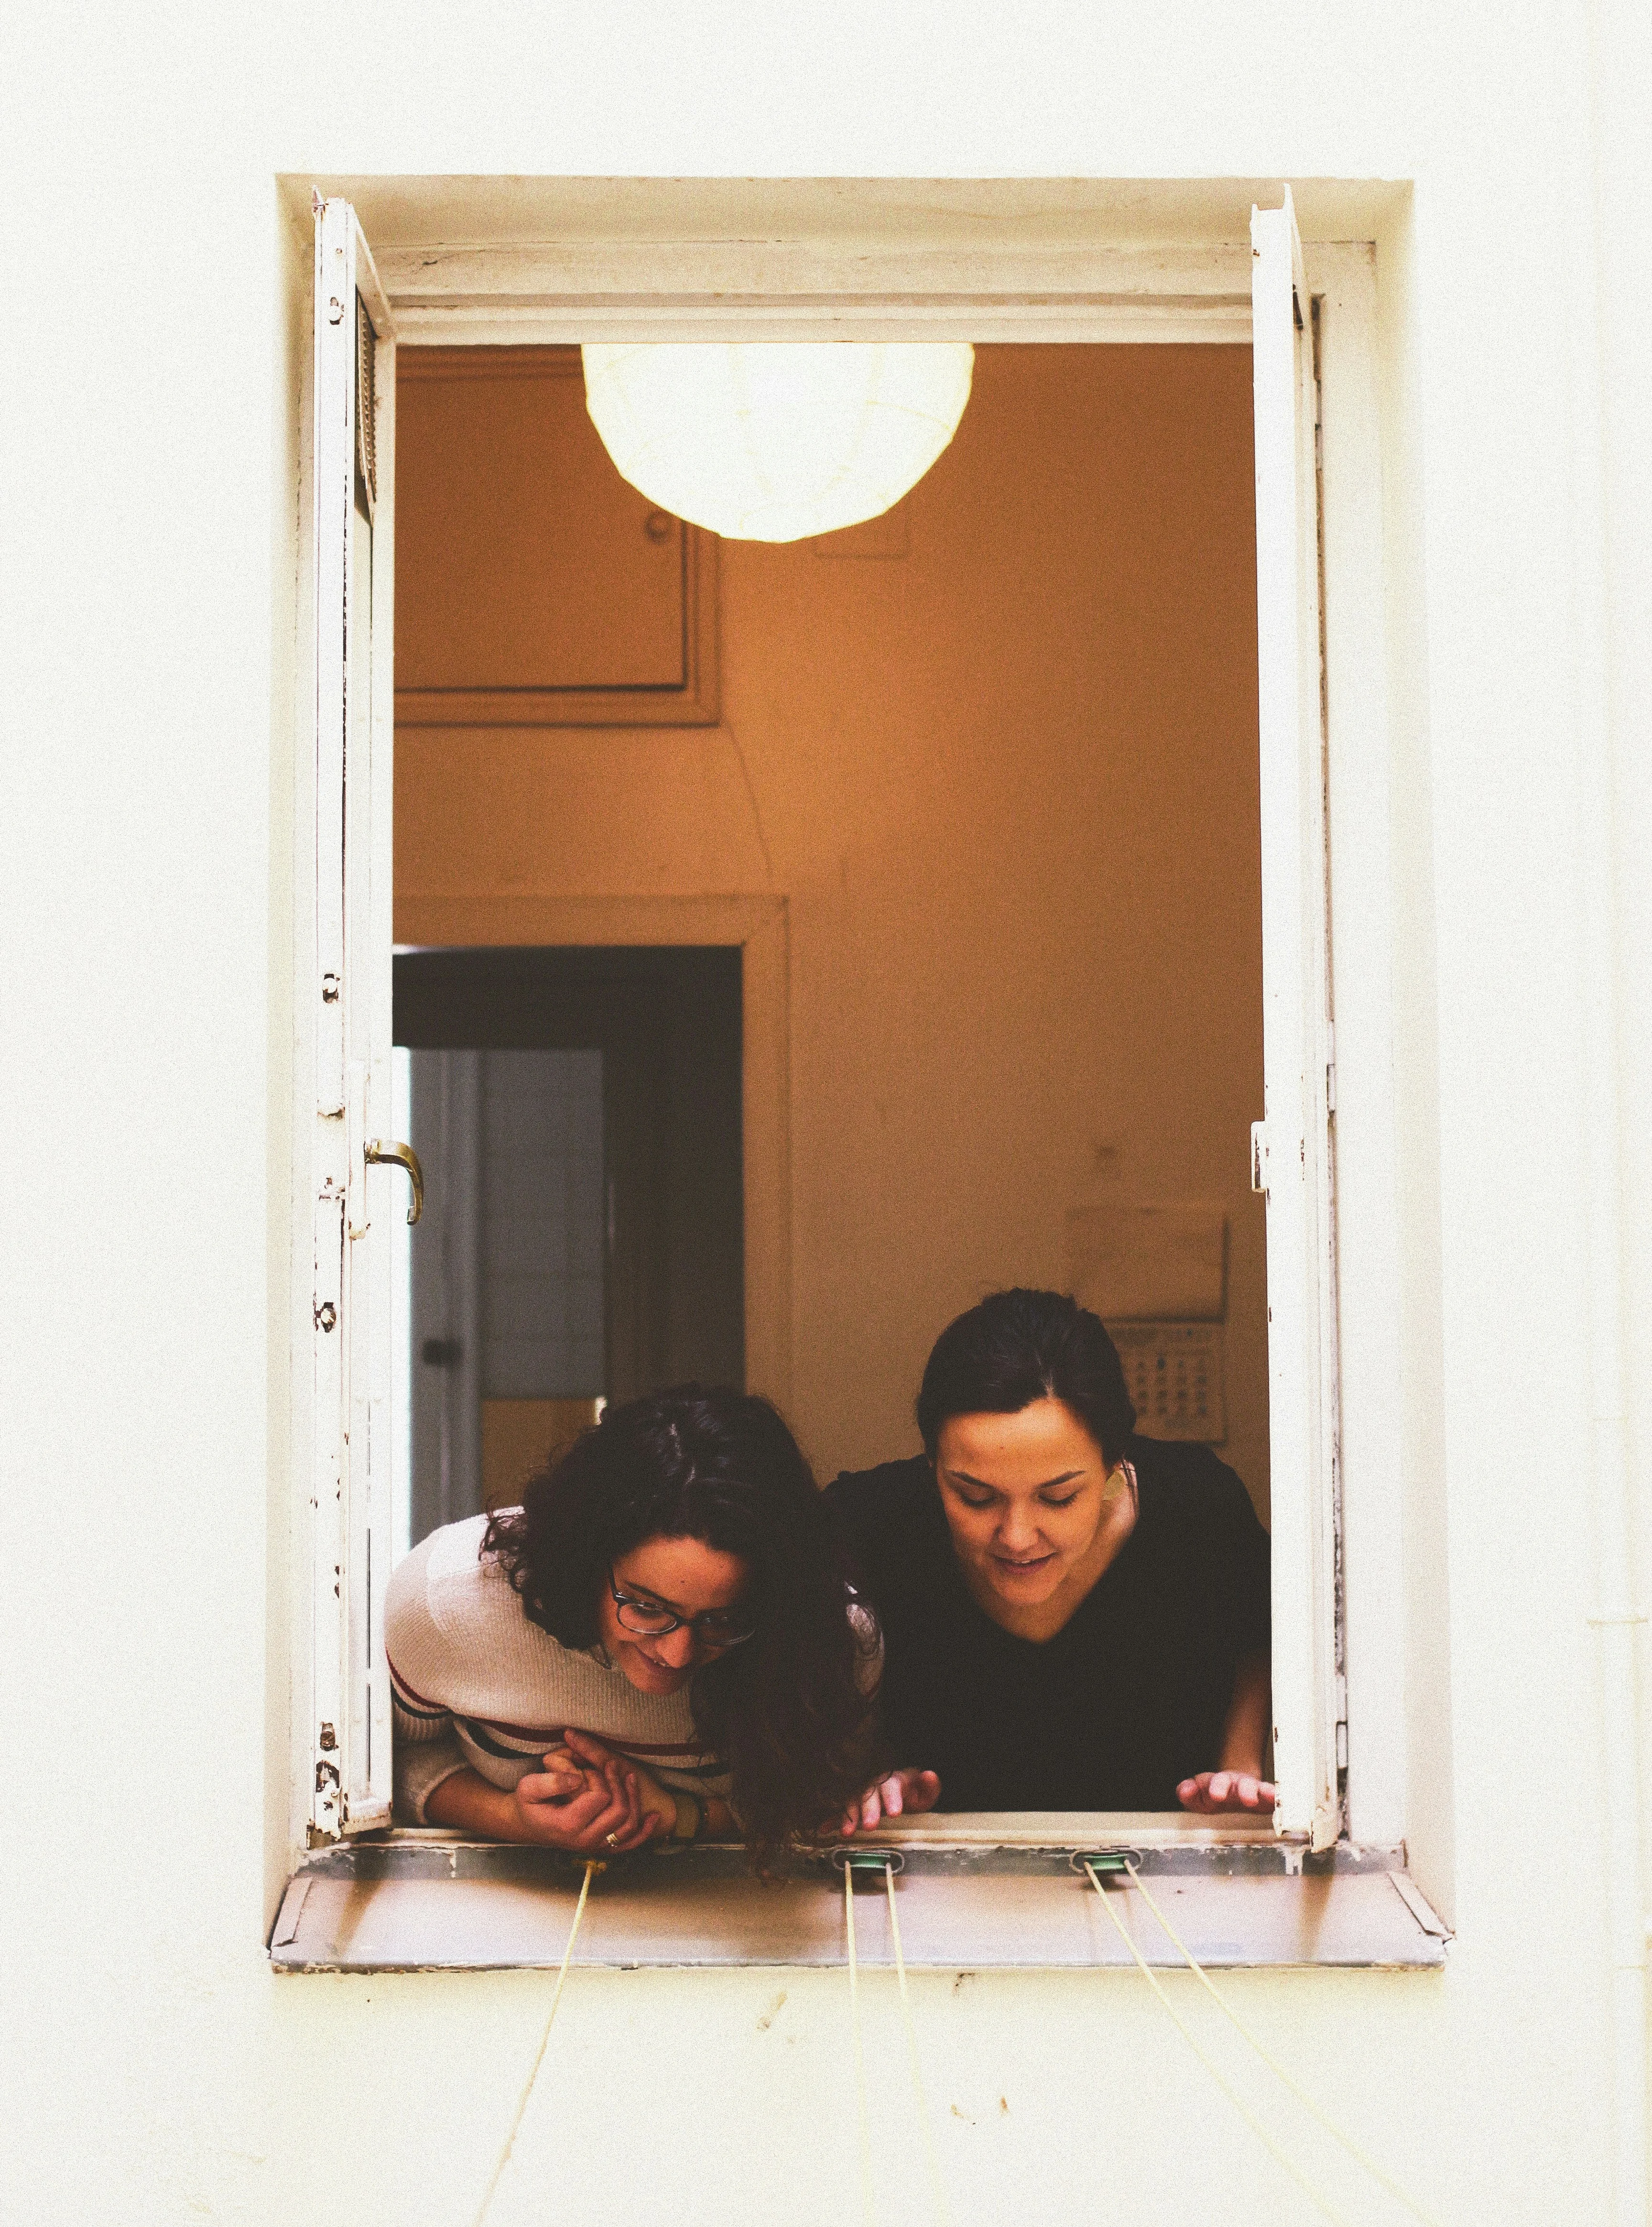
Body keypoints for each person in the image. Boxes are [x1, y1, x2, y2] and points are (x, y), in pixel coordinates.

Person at [826, 1288, 1275, 1825]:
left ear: (1113, 1462)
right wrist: (868, 1778)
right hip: (936, 1887)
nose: (1017, 1537)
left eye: (1058, 1497)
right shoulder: (871, 1525)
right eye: (975, 1495)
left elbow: (1259, 1637)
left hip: (1165, 1877)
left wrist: (1239, 1767)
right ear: (931, 1463)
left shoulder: (1198, 1511)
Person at [388, 1386, 880, 1868]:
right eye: (647, 1607)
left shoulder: (833, 1639)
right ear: (587, 1556)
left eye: (723, 1619)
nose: (678, 1653)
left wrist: (680, 1816)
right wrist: (511, 1818)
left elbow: (827, 1793)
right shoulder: (446, 1599)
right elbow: (386, 1763)